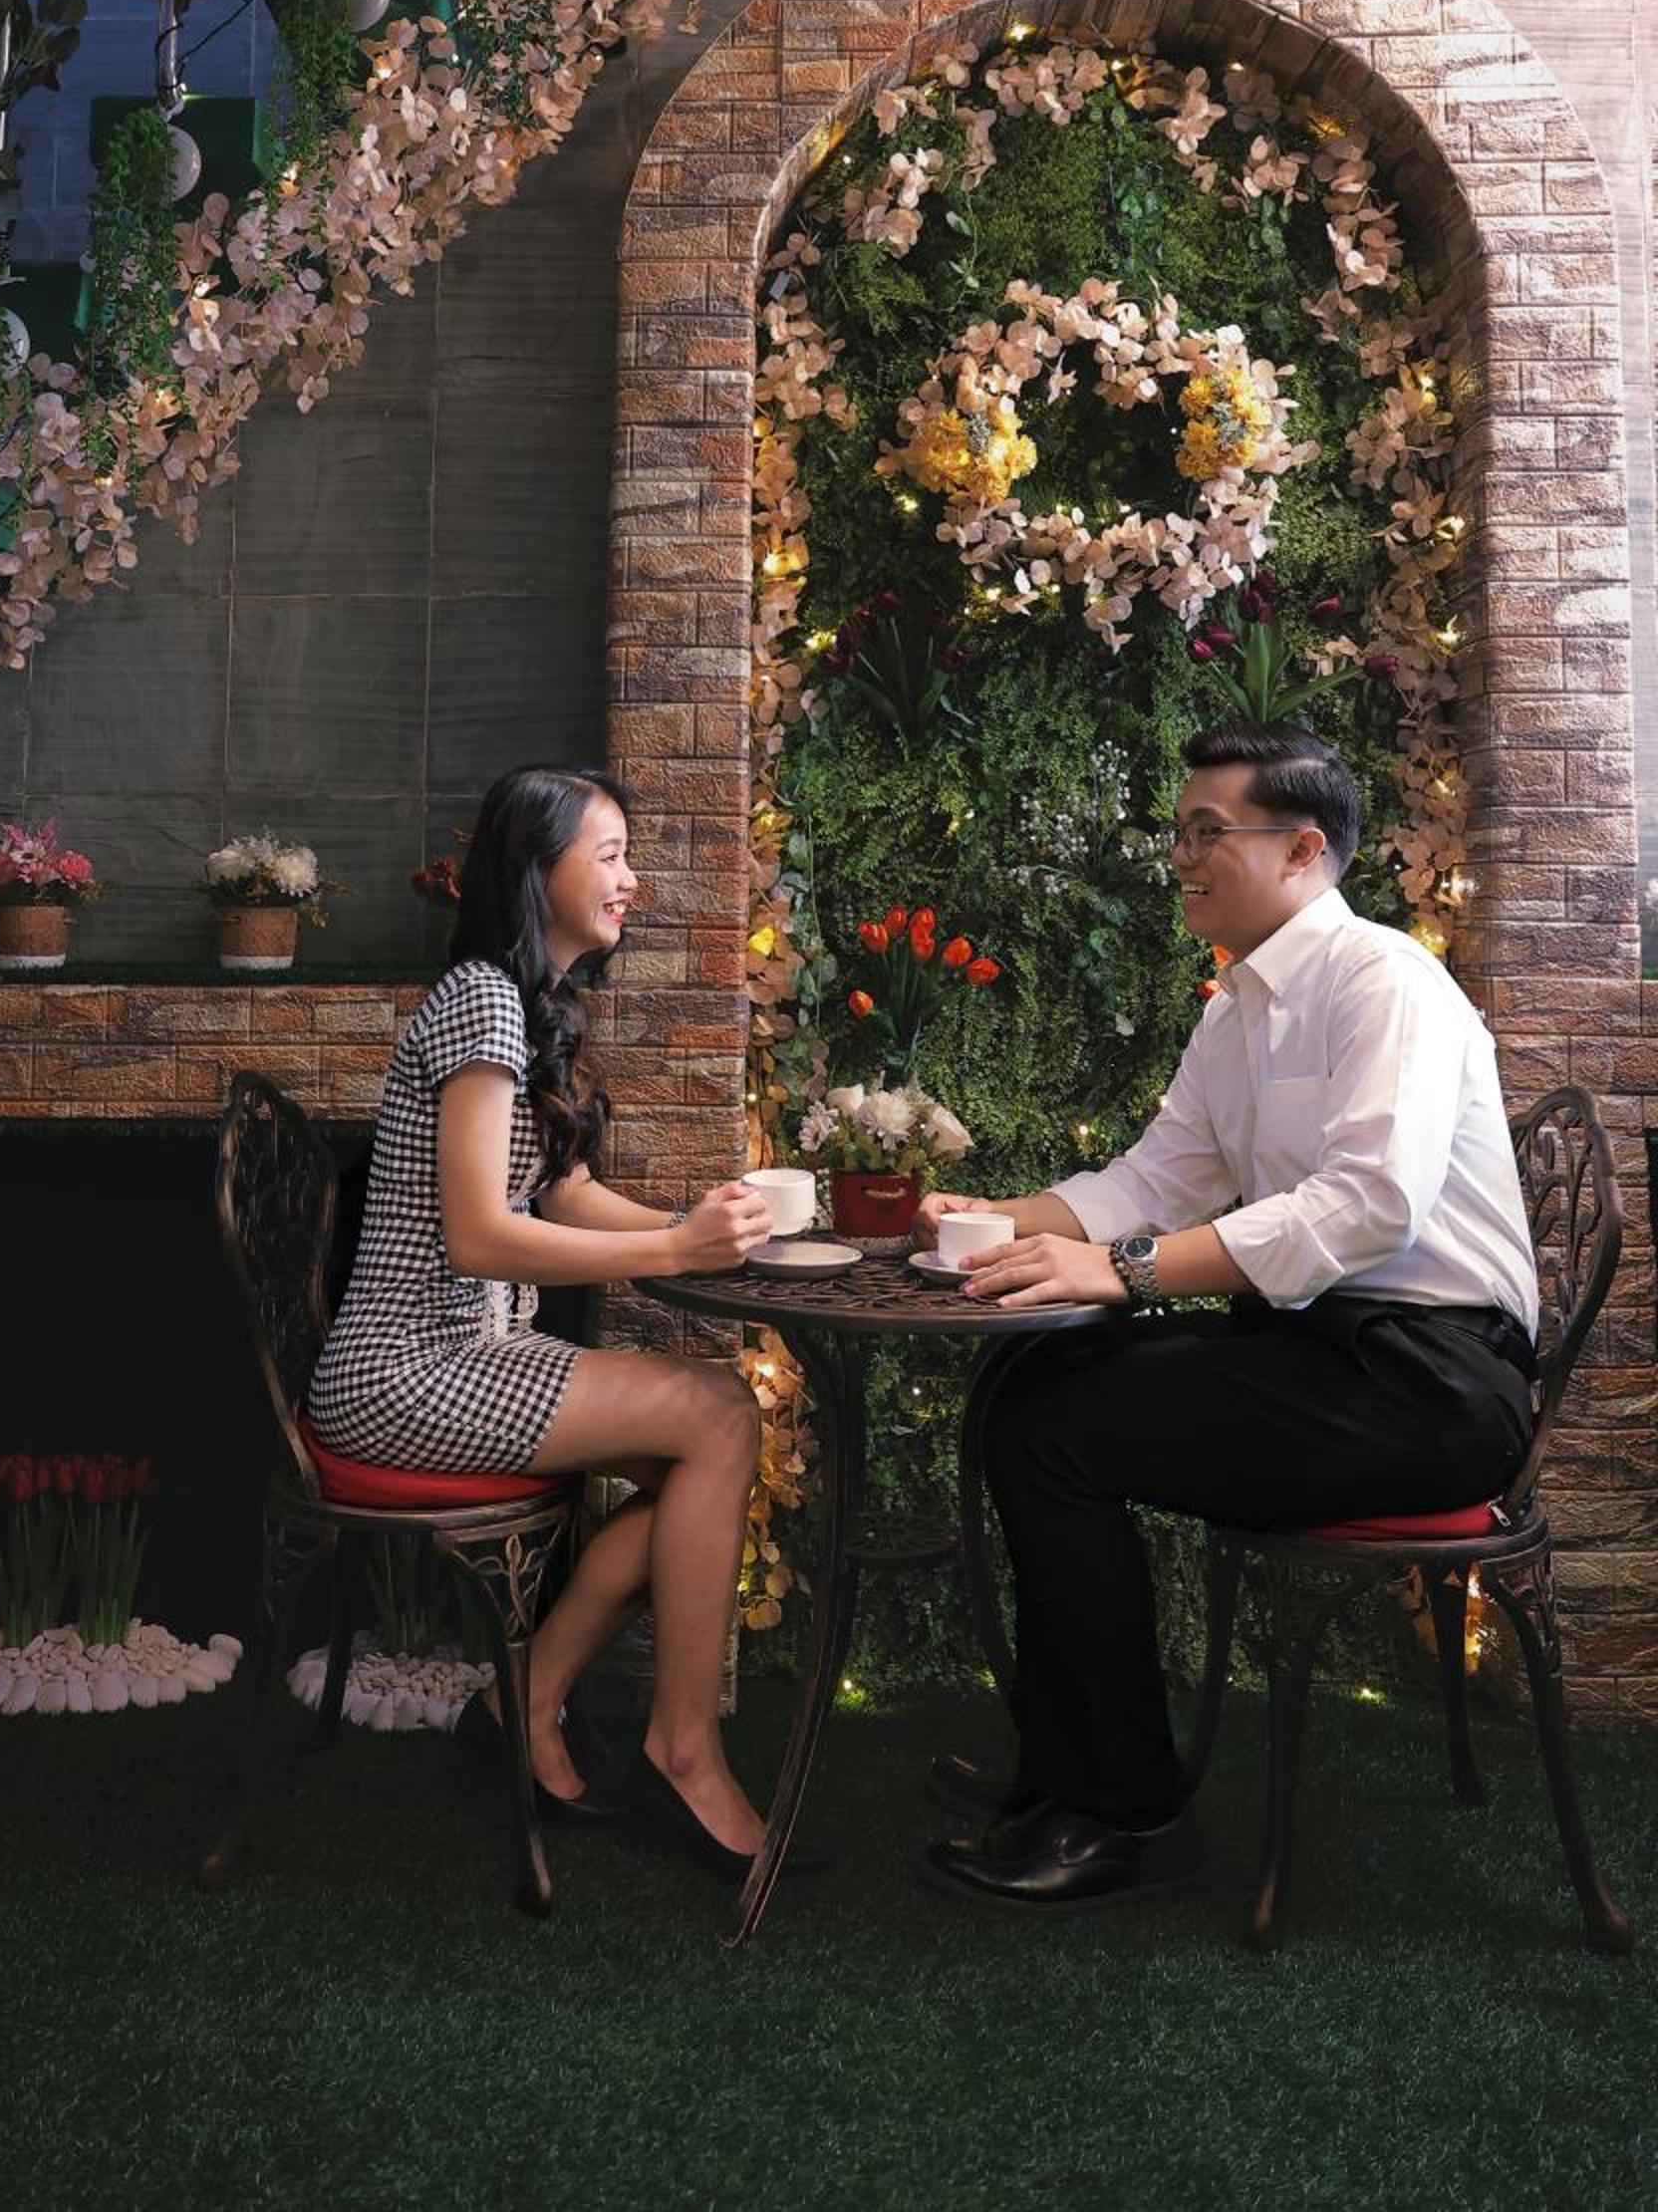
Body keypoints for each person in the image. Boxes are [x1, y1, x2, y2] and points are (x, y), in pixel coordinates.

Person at [918, 718, 1539, 1919]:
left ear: (1301, 848)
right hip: (1322, 1346)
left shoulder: (1385, 981)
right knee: (1024, 1388)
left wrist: (1127, 1272)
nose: (1179, 857)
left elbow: (1370, 1206)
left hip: (1434, 1384)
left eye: (1206, 832)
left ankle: (1126, 1817)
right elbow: (1156, 1179)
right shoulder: (1235, 1008)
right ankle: (1060, 1770)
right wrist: (994, 1219)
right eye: (1178, 832)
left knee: (1055, 1433)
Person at [308, 763, 778, 1878]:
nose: (632, 880)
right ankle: (681, 1753)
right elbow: (480, 1234)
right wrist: (673, 1252)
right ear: (536, 870)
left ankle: (524, 1702)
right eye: (609, 855)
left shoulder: (524, 1000)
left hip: (467, 1351)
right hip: (403, 1368)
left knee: (707, 1451)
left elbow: (558, 1195)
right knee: (718, 1418)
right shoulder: (479, 998)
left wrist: (693, 1226)